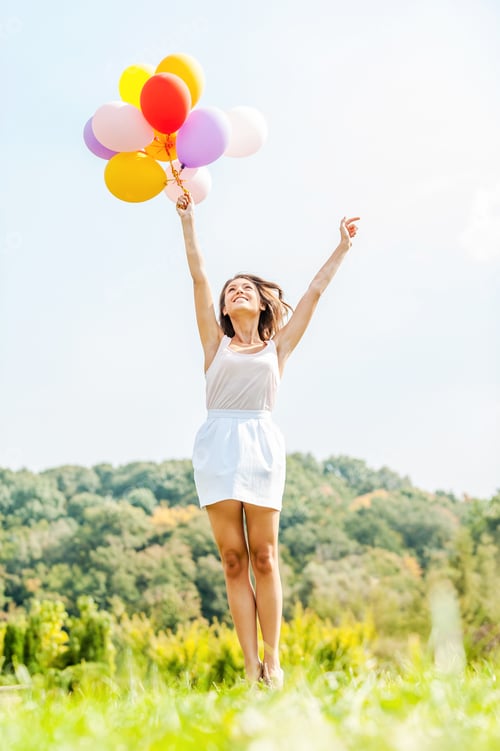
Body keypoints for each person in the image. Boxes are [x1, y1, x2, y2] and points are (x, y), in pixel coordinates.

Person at [176, 192, 359, 687]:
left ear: (260, 302)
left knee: (265, 556)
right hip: (217, 445)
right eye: (230, 290)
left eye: (244, 288)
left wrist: (341, 247)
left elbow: (315, 293)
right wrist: (187, 218)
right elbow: (199, 275)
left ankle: (273, 660)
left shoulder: (278, 347)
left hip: (259, 442)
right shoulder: (214, 344)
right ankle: (247, 663)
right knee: (233, 560)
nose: (234, 291)